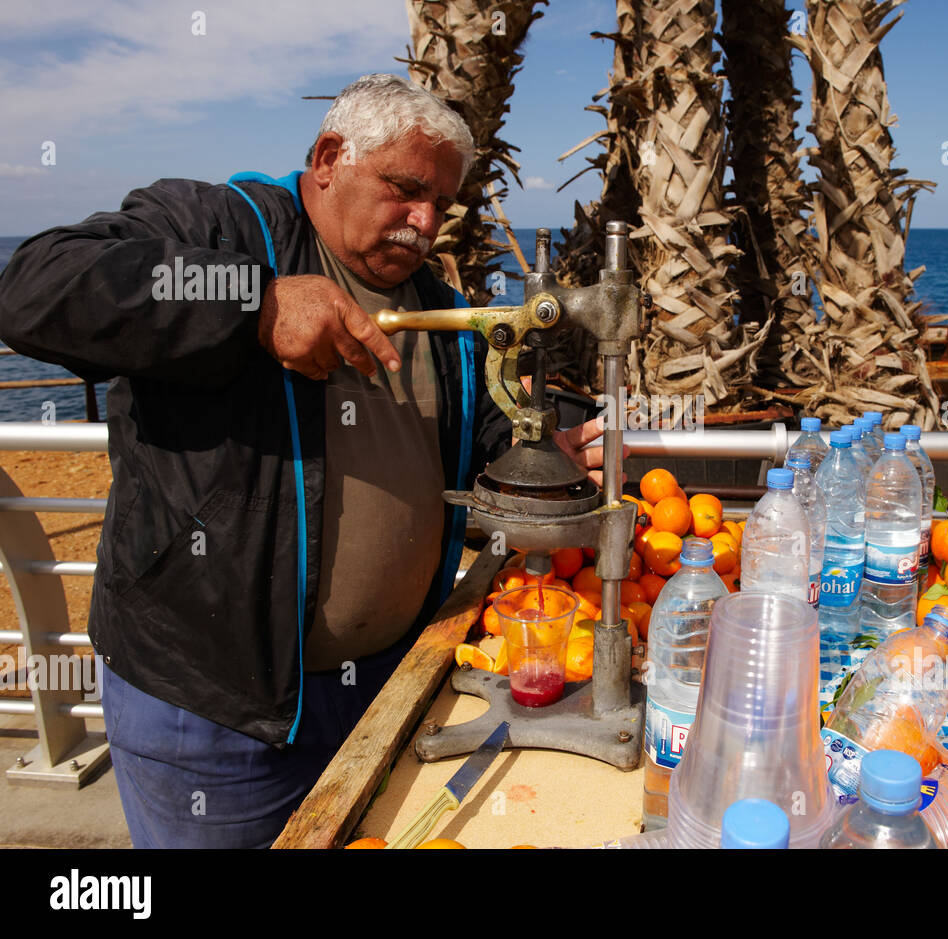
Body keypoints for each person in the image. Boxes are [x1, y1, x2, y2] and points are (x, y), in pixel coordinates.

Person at [0, 73, 609, 848]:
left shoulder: (439, 301)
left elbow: (476, 432)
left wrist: (539, 451)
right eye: (406, 190)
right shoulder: (223, 229)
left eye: (443, 207)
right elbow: (35, 287)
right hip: (219, 715)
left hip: (385, 689)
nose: (424, 223)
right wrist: (252, 306)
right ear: (329, 157)